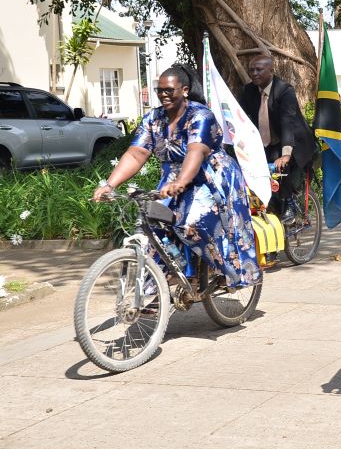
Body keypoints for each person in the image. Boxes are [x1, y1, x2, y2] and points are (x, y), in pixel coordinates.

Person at [92, 66, 260, 288]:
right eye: (159, 90)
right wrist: (109, 184)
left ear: (185, 90)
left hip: (209, 176)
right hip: (173, 179)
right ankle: (153, 290)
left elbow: (196, 151)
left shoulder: (200, 115)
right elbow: (136, 153)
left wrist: (181, 182)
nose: (163, 95)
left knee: (192, 222)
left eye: (169, 90)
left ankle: (220, 269)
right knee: (152, 224)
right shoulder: (153, 118)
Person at [239, 55, 318, 219]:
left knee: (281, 167)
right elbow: (241, 119)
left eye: (259, 69)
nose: (254, 73)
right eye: (252, 70)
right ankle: (258, 210)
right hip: (266, 142)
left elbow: (287, 123)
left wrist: (286, 154)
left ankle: (289, 203)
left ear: (271, 71)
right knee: (250, 170)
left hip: (292, 140)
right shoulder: (248, 91)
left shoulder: (284, 90)